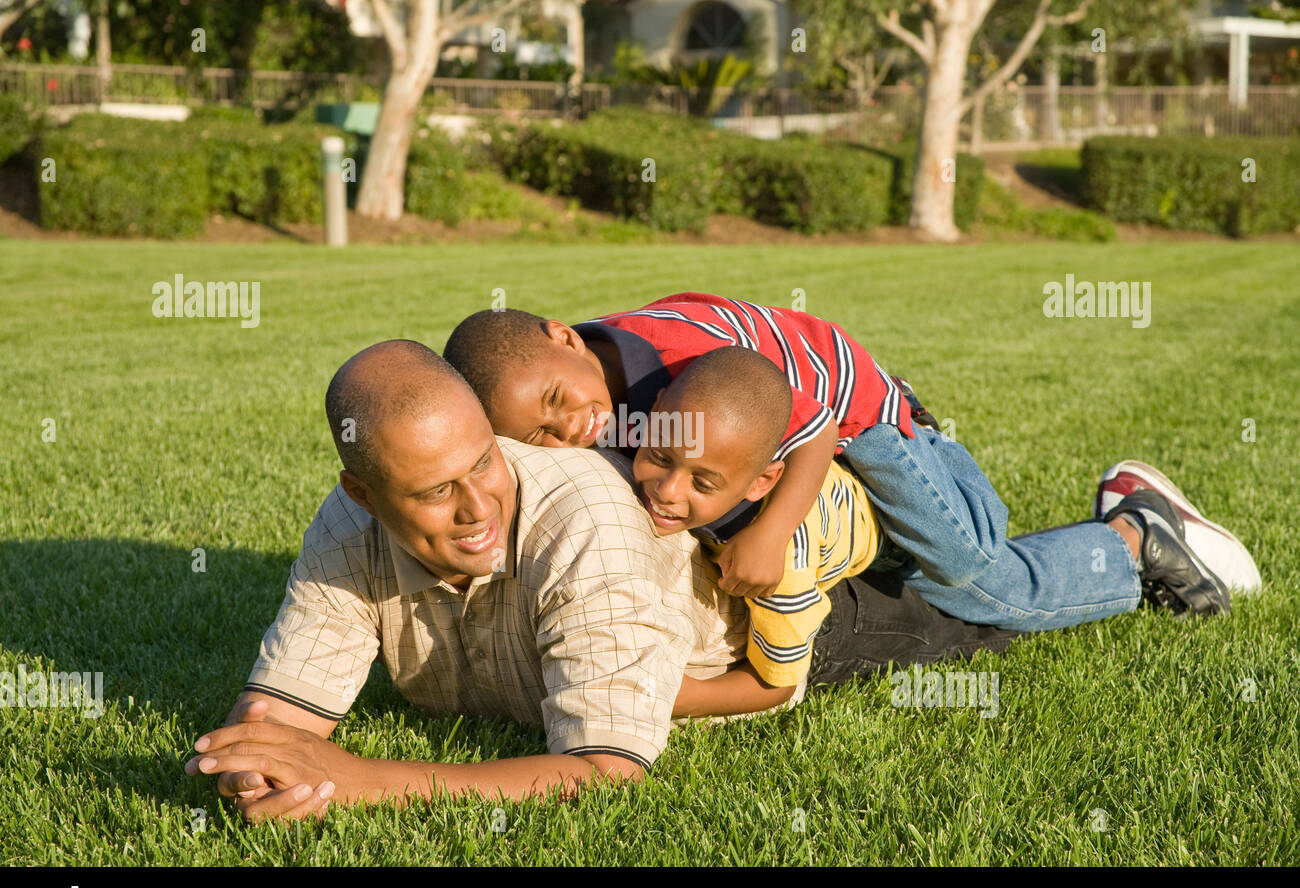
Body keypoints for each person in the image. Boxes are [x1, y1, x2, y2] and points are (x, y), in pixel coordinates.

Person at [184, 339, 1022, 823]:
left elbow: (602, 768)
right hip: (643, 609)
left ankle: (1122, 539)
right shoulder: (348, 527)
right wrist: (257, 761)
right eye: (438, 491)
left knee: (976, 609)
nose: (480, 506)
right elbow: (279, 709)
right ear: (363, 494)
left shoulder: (580, 518)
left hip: (753, 619)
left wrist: (361, 780)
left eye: (486, 462)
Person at [442, 292, 1257, 634]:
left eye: (557, 400)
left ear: (560, 333)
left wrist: (774, 534)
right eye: (541, 436)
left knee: (980, 581)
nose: (570, 428)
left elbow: (819, 424)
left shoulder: (677, 364)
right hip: (830, 442)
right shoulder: (602, 385)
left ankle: (1133, 535)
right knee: (928, 583)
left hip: (878, 433)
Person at [626, 347, 886, 718]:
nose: (667, 490)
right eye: (661, 457)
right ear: (655, 412)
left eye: (701, 483)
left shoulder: (783, 565)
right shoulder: (685, 441)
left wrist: (679, 697)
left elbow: (777, 684)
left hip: (876, 534)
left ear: (761, 482)